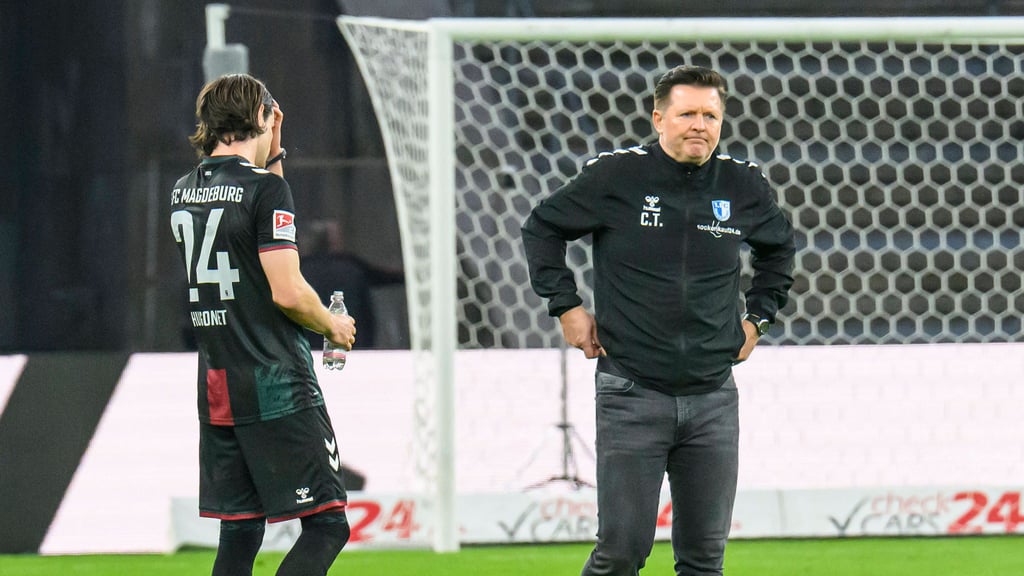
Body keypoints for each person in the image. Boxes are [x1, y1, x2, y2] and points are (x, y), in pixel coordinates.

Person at [521, 65, 796, 576]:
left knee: (704, 560)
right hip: (632, 390)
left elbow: (779, 251)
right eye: (687, 113)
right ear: (658, 118)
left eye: (710, 115)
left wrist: (758, 317)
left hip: (713, 395)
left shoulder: (741, 183)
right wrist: (566, 306)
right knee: (622, 552)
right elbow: (542, 227)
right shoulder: (617, 176)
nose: (699, 124)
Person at [170, 73, 357, 576]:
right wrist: (331, 326)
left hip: (217, 381)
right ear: (261, 116)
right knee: (327, 525)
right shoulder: (266, 192)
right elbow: (288, 291)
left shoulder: (183, 191)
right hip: (274, 379)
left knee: (241, 528)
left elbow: (241, 193)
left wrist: (271, 155)